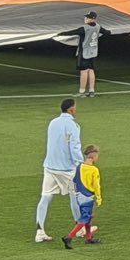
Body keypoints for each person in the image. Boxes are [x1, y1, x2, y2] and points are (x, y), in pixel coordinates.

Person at [33, 97, 84, 243]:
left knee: (45, 196)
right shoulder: (73, 125)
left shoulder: (52, 122)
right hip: (67, 168)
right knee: (74, 195)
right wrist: (80, 163)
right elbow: (74, 147)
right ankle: (79, 228)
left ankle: (40, 231)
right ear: (71, 109)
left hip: (50, 166)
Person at [63, 144, 103, 247]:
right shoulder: (94, 170)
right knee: (85, 218)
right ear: (93, 156)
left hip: (79, 195)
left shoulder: (79, 167)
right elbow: (96, 185)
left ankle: (89, 238)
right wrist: (99, 198)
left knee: (88, 218)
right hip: (88, 196)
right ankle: (69, 237)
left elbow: (75, 180)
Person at [73, 11, 105, 97]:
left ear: (93, 19)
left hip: (84, 53)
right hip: (93, 53)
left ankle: (81, 91)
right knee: (91, 71)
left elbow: (72, 32)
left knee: (83, 71)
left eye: (88, 17)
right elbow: (107, 32)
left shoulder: (84, 28)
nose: (86, 18)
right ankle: (91, 91)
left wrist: (59, 33)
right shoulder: (98, 27)